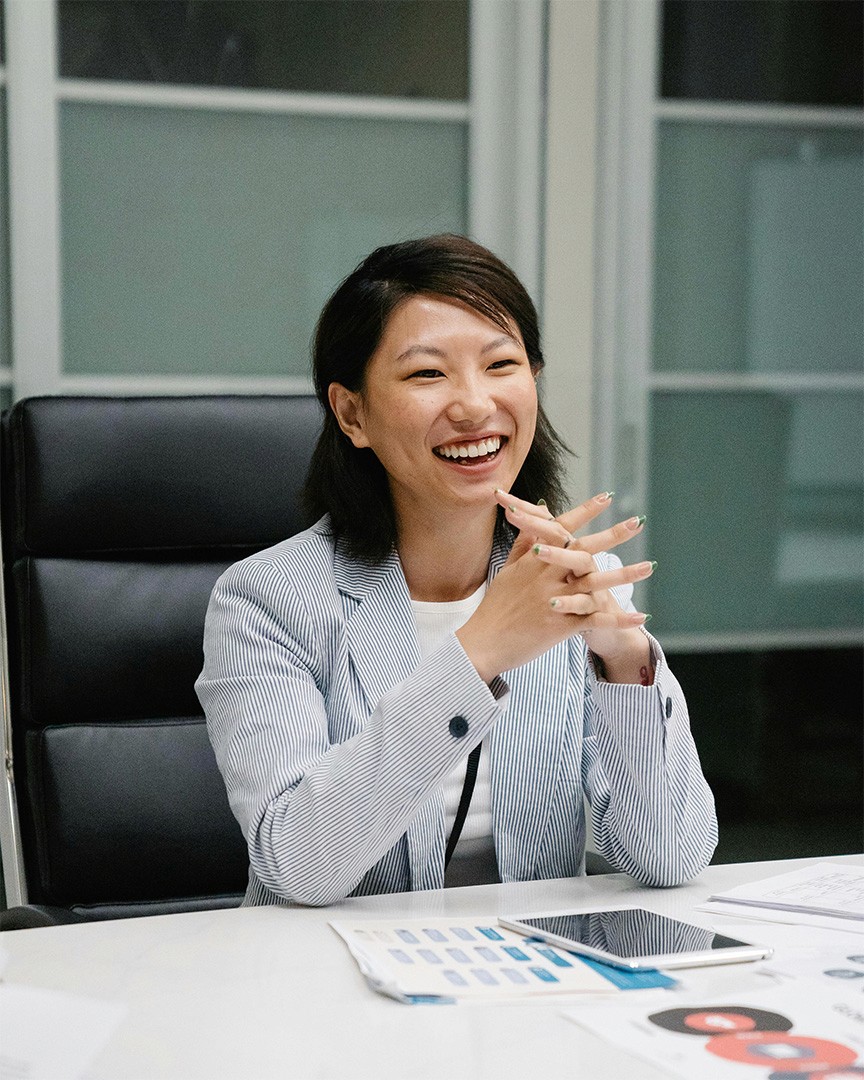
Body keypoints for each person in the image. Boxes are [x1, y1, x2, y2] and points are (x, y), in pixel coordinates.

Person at [196, 234, 717, 907]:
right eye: (426, 374)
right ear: (353, 413)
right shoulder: (268, 600)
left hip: (530, 979)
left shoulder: (570, 579)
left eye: (502, 364)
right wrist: (480, 651)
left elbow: (670, 857)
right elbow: (298, 866)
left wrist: (624, 662)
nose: (474, 405)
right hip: (329, 982)